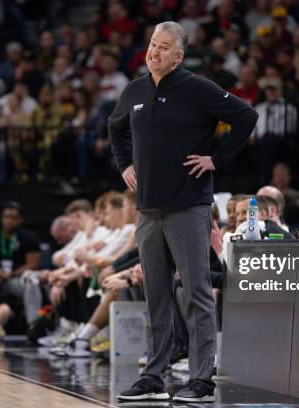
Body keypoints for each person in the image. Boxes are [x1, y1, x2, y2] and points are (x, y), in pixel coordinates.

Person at [109, 21, 257, 402]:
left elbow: (245, 116)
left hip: (188, 205)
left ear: (178, 56)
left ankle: (202, 381)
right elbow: (115, 129)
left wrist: (217, 159)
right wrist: (125, 164)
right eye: (152, 44)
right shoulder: (135, 90)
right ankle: (154, 377)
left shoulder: (196, 88)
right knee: (156, 294)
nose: (153, 52)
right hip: (148, 209)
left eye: (163, 47)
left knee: (195, 293)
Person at [0, 201, 42, 325]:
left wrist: (12, 274)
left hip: (16, 279)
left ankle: (34, 324)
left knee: (32, 282)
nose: (9, 221)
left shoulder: (29, 238)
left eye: (13, 218)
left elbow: (33, 264)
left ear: (20, 220)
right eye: (6, 217)